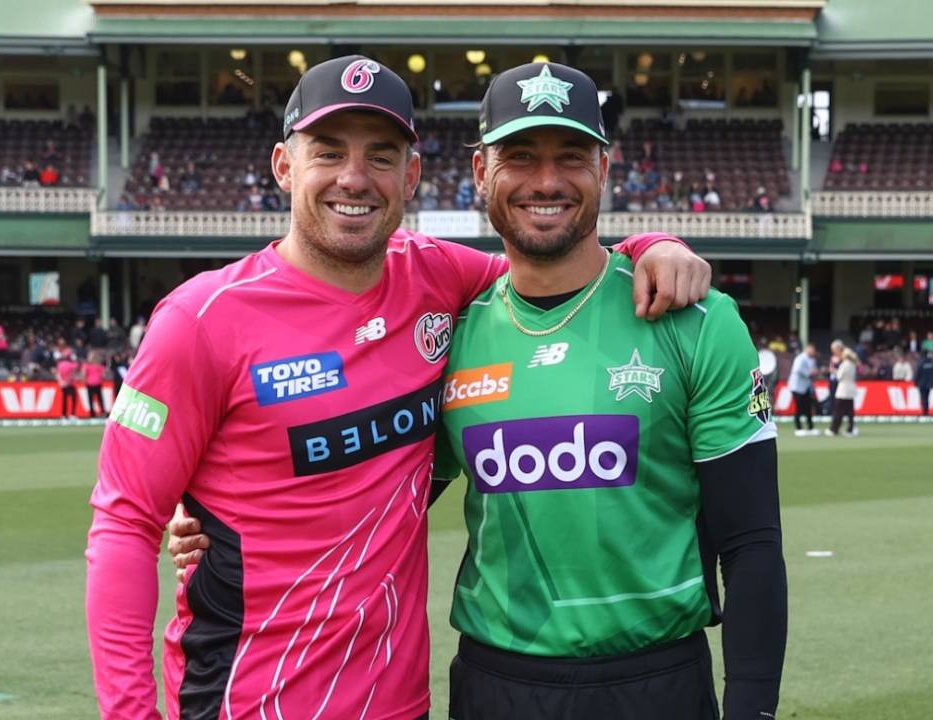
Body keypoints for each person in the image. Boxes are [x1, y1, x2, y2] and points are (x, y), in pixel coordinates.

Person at [87, 55, 711, 720]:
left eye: (381, 156)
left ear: (411, 175)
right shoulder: (198, 322)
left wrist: (650, 243)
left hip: (399, 705)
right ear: (283, 166)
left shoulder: (436, 278)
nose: (355, 178)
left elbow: (553, 259)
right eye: (328, 152)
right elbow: (124, 525)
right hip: (248, 701)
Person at [431, 61, 784, 720]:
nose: (546, 180)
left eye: (571, 156)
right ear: (481, 171)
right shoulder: (450, 336)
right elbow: (376, 500)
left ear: (605, 166)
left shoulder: (698, 320)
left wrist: (753, 709)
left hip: (657, 683)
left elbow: (751, 543)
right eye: (519, 157)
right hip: (494, 683)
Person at [789, 343, 819, 435]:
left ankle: (810, 428)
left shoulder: (812, 360)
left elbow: (814, 370)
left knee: (808, 407)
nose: (813, 352)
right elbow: (797, 370)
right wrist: (809, 373)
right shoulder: (800, 358)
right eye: (812, 350)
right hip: (797, 386)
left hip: (806, 386)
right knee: (799, 407)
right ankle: (798, 428)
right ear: (808, 349)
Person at [829, 347, 859, 436]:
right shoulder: (853, 364)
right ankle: (851, 428)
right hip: (851, 389)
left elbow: (839, 377)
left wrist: (834, 371)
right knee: (850, 411)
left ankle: (834, 429)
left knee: (838, 410)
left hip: (843, 390)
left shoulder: (845, 364)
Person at [56, 345, 79, 418]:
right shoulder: (73, 364)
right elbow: (73, 373)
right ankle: (72, 414)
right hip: (70, 384)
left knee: (65, 399)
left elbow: (58, 374)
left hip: (64, 384)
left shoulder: (60, 364)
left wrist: (61, 382)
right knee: (73, 398)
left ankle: (64, 414)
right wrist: (67, 381)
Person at [84, 350, 107, 417]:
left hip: (90, 383)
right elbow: (104, 375)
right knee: (99, 399)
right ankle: (102, 412)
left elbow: (84, 374)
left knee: (91, 399)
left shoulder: (87, 365)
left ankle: (92, 414)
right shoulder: (99, 366)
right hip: (97, 383)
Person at [915, 350, 933, 416]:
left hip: (922, 384)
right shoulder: (931, 362)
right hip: (929, 384)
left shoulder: (920, 362)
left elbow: (918, 373)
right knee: (927, 398)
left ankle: (924, 412)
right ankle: (926, 412)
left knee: (923, 398)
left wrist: (916, 382)